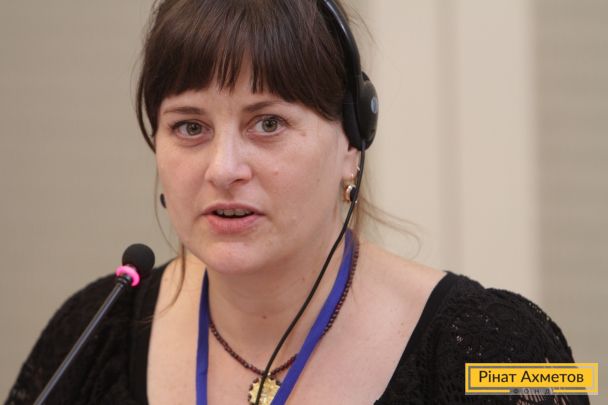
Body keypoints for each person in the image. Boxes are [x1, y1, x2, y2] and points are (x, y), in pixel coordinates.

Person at [6, 1, 588, 404]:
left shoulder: (505, 353)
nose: (223, 168)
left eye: (267, 123)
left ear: (352, 144)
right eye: (190, 127)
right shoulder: (92, 331)